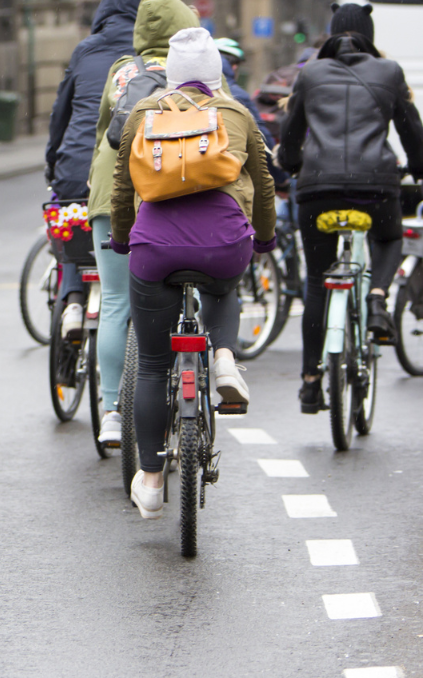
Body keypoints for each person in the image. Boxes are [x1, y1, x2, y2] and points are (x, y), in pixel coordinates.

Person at [110, 27, 275, 519]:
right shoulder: (237, 114)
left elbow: (122, 187)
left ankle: (154, 479)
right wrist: (262, 237)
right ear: (216, 74)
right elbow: (263, 185)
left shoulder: (144, 113)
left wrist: (123, 239)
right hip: (222, 242)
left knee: (155, 365)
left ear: (171, 73)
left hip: (155, 247)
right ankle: (224, 356)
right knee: (224, 286)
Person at [276, 2, 423, 413]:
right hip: (375, 186)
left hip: (317, 189)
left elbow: (291, 134)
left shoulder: (310, 73)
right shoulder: (389, 73)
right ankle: (377, 296)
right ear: (369, 36)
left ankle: (309, 382)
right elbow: (411, 129)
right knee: (391, 238)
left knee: (316, 281)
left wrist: (290, 165)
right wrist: (417, 167)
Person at [86, 0, 200, 446]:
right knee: (191, 286)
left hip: (111, 193)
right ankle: (192, 382)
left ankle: (112, 409)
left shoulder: (122, 71)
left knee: (115, 301)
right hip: (173, 194)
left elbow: (102, 135)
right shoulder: (194, 68)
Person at [44, 0, 140, 392]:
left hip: (73, 171)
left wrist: (55, 163)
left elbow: (60, 115)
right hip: (124, 174)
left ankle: (71, 303)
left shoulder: (85, 49)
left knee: (72, 237)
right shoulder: (143, 56)